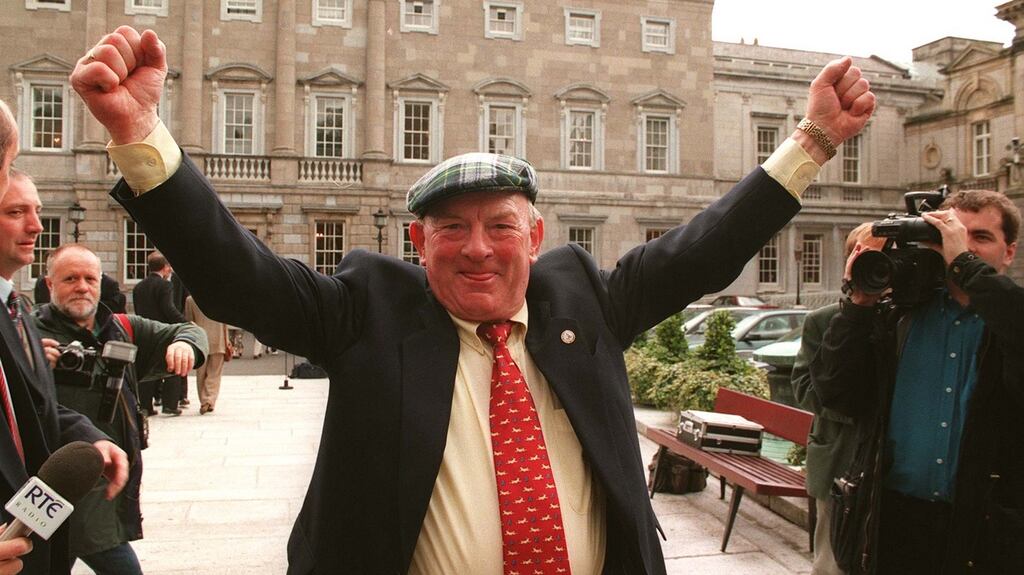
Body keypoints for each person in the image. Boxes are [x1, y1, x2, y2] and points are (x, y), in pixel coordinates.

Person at [71, 26, 874, 574]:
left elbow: (701, 250)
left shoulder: (583, 298)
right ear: (416, 245)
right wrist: (143, 134)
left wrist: (810, 144)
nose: (478, 247)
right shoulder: (366, 308)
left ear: (537, 233)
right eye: (450, 228)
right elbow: (238, 273)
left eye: (500, 225)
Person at [807, 189, 1023, 574]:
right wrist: (859, 304)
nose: (963, 247)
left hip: (984, 526)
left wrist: (966, 266)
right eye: (952, 236)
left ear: (1009, 251)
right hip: (895, 519)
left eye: (981, 237)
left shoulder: (1009, 320)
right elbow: (837, 396)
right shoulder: (900, 317)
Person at [32, 244, 207, 575]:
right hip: (49, 481)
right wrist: (29, 365)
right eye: (70, 278)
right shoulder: (26, 332)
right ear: (50, 284)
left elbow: (189, 330)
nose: (82, 286)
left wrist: (185, 345)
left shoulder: (122, 328)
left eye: (89, 278)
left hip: (106, 480)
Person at [0, 153, 127, 574]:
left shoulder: (15, 309)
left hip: (34, 526)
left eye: (36, 211)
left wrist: (91, 436)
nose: (36, 226)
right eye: (15, 212)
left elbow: (36, 410)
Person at [791, 222, 886, 575]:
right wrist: (857, 409)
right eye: (867, 256)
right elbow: (803, 386)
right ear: (850, 263)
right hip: (838, 462)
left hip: (891, 471)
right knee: (831, 564)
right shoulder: (824, 320)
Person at [132, 251, 187, 415]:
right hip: (162, 331)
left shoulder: (138, 286)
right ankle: (170, 405)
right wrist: (184, 323)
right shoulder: (165, 285)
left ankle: (145, 407)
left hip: (143, 330)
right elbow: (168, 309)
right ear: (164, 267)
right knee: (172, 367)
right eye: (169, 266)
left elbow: (137, 310)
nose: (170, 270)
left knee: (147, 369)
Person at [184, 295, 230, 414]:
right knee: (214, 373)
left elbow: (189, 321)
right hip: (218, 339)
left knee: (201, 374)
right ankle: (210, 399)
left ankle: (204, 400)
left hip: (200, 340)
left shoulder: (190, 300)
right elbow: (225, 322)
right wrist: (227, 341)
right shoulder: (220, 300)